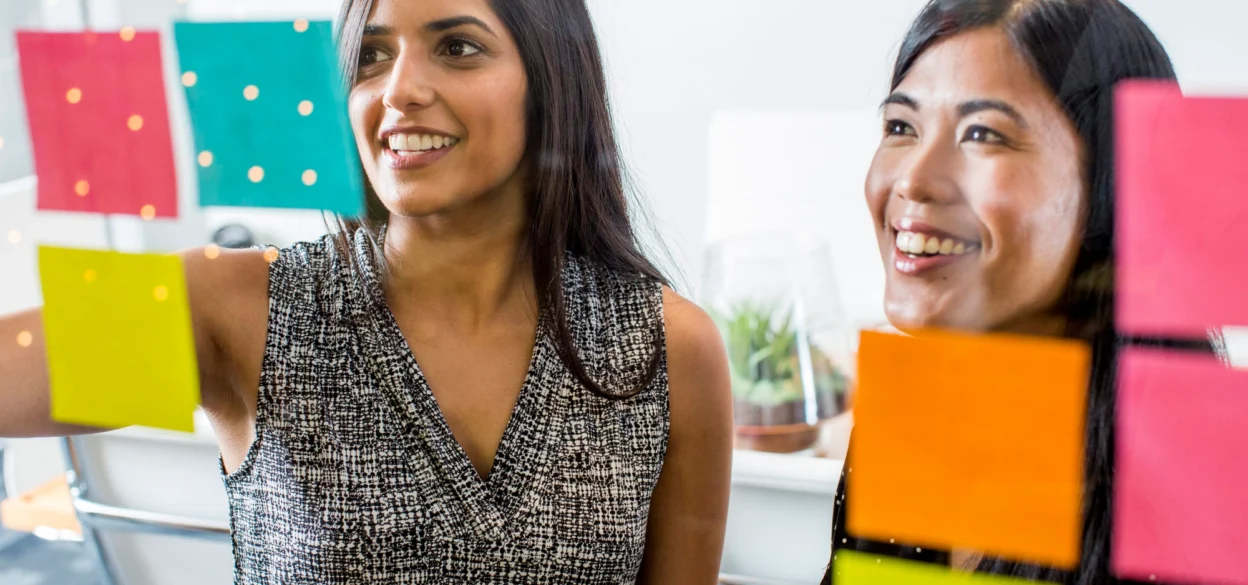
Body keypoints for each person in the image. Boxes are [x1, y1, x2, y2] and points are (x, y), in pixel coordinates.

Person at [0, 0, 735, 582]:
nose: (399, 91)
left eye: (458, 47)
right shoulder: (236, 307)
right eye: (371, 56)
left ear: (551, 81)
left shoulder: (668, 346)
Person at [819, 0, 1226, 583]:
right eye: (901, 127)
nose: (913, 179)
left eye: (982, 134)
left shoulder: (1197, 487)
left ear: (1111, 186)